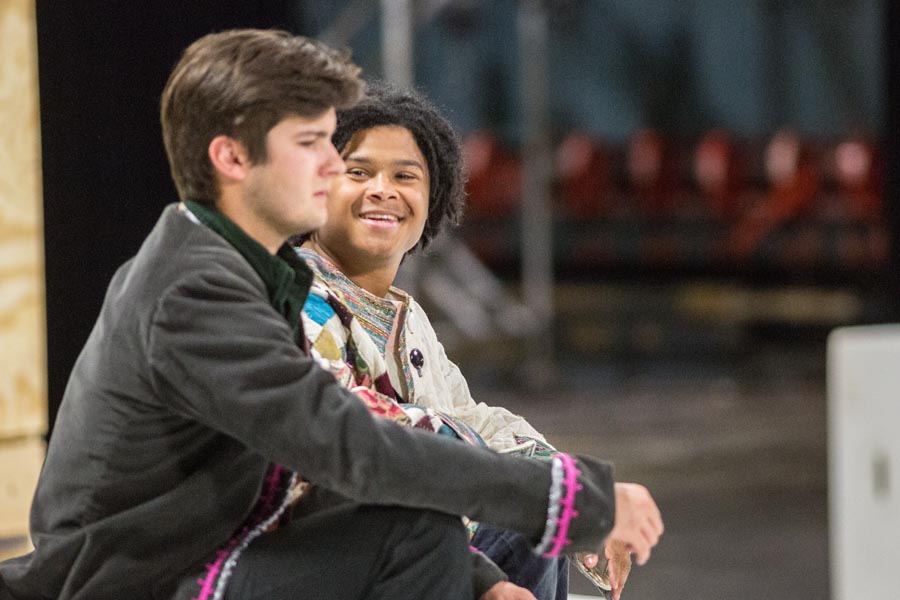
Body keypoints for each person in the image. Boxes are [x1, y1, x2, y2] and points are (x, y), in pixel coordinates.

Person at [0, 29, 663, 600]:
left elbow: (308, 473)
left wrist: (482, 577)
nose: (329, 163)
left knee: (424, 534)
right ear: (232, 158)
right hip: (132, 581)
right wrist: (578, 501)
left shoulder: (243, 272)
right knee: (418, 532)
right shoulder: (194, 290)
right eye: (311, 142)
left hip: (198, 556)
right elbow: (348, 446)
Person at [294, 81, 633, 600]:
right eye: (357, 172)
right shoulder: (297, 296)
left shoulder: (405, 318)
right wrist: (541, 494)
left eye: (405, 176)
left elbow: (473, 418)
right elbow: (351, 430)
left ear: (434, 200)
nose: (383, 189)